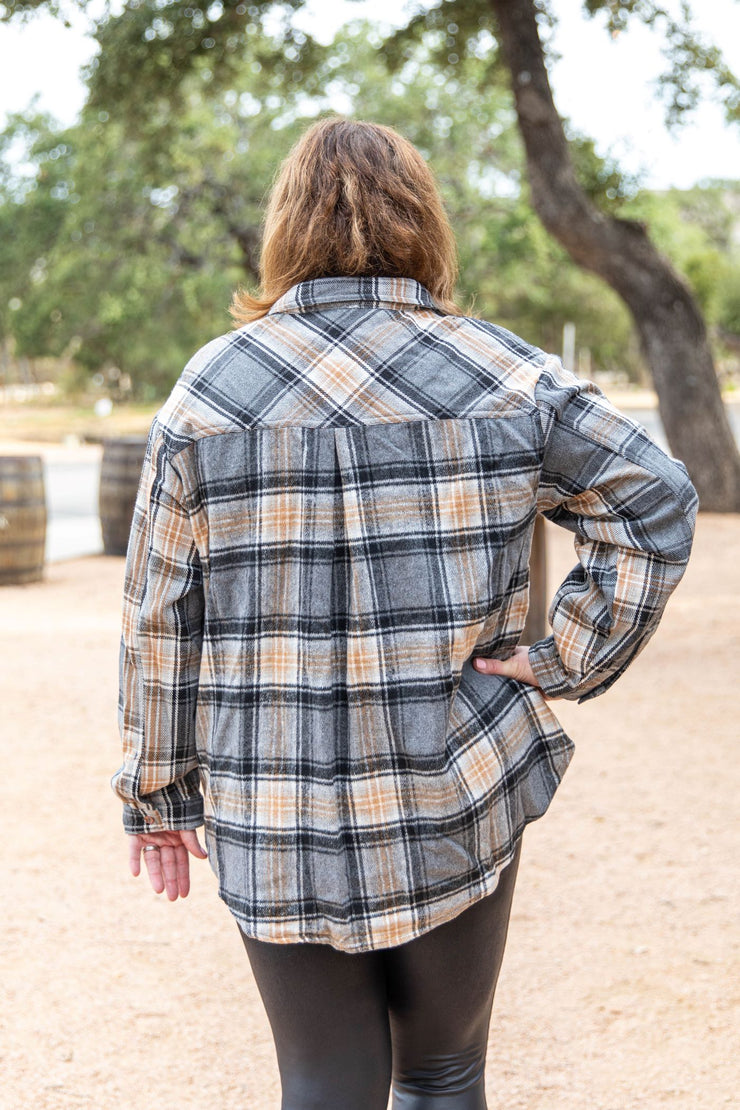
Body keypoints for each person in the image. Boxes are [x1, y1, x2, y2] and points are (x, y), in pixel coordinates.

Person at [113, 117, 698, 1109]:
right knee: (441, 1074)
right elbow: (654, 498)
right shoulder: (503, 371)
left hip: (274, 803)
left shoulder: (208, 392)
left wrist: (156, 795)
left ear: (282, 228)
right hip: (453, 785)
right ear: (422, 223)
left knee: (322, 1083)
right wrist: (564, 655)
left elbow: (158, 617)